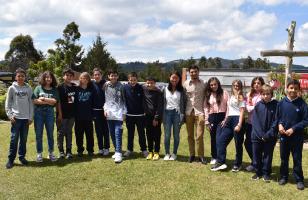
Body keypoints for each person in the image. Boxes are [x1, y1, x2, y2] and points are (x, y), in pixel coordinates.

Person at [277, 79, 308, 190]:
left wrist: (293, 129)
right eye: (291, 88)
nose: (293, 90)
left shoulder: (302, 104)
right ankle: (284, 177)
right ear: (287, 88)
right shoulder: (281, 103)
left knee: (297, 159)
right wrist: (280, 125)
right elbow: (278, 117)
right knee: (284, 158)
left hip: (296, 137)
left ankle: (299, 180)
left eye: (295, 88)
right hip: (284, 136)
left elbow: (306, 120)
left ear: (299, 89)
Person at [211, 80, 245, 172]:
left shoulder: (241, 96)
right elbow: (229, 109)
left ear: (240, 86)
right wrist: (226, 119)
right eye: (234, 85)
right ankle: (220, 162)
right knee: (221, 140)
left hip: (237, 120)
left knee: (238, 144)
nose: (236, 87)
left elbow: (242, 111)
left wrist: (239, 124)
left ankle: (238, 164)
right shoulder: (231, 96)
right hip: (229, 120)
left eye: (238, 85)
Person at [5, 68, 33, 169]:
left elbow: (31, 103)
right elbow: (8, 103)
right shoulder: (12, 88)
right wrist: (10, 115)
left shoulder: (29, 88)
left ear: (25, 77)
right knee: (14, 139)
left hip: (26, 119)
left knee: (23, 139)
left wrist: (30, 117)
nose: (20, 77)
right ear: (16, 77)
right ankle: (11, 160)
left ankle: (22, 157)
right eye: (18, 76)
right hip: (16, 118)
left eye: (22, 76)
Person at [251, 84, 278, 182]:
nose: (266, 96)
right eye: (264, 94)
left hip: (270, 136)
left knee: (267, 155)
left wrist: (268, 134)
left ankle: (266, 173)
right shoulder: (258, 105)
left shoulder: (276, 105)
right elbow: (255, 121)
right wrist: (260, 135)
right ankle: (258, 172)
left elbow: (276, 121)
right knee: (256, 155)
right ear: (261, 94)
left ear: (271, 94)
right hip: (257, 136)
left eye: (268, 94)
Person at [32, 71, 59, 162]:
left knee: (50, 134)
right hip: (38, 113)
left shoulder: (54, 89)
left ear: (52, 79)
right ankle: (39, 154)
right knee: (38, 134)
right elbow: (34, 100)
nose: (48, 79)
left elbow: (55, 101)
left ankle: (51, 153)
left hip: (50, 113)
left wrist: (43, 99)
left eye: (50, 77)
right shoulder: (38, 88)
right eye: (46, 77)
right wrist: (48, 101)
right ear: (43, 78)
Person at [183, 65, 206, 164]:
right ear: (189, 73)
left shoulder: (204, 83)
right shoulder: (185, 84)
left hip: (200, 112)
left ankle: (201, 156)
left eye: (195, 71)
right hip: (188, 112)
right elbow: (183, 99)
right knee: (190, 135)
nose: (193, 73)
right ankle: (192, 155)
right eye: (191, 72)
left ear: (198, 72)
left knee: (199, 136)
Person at [204, 77, 228, 165]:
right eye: (211, 85)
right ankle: (214, 156)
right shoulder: (208, 94)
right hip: (212, 117)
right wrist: (207, 121)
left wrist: (226, 119)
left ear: (218, 84)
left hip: (222, 117)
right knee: (213, 139)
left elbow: (228, 106)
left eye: (215, 84)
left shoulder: (224, 93)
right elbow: (205, 108)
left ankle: (220, 157)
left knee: (220, 139)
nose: (213, 86)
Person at [123, 72, 148, 158]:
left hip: (140, 115)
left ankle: (144, 150)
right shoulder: (125, 88)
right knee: (130, 134)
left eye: (134, 80)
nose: (133, 82)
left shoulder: (141, 88)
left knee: (141, 134)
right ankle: (129, 150)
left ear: (137, 80)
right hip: (129, 115)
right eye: (131, 80)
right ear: (128, 80)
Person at [104, 70, 126, 163]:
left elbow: (125, 100)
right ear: (109, 76)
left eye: (115, 76)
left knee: (118, 133)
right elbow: (106, 99)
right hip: (109, 114)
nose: (113, 77)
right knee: (112, 133)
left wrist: (124, 112)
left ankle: (118, 153)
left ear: (117, 77)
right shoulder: (106, 86)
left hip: (119, 114)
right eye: (112, 76)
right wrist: (105, 109)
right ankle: (117, 151)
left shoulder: (121, 86)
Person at [163, 71, 185, 161]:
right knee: (167, 135)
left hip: (177, 114)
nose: (174, 79)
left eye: (176, 78)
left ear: (179, 79)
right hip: (167, 113)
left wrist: (182, 116)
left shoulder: (182, 90)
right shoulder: (164, 89)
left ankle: (174, 153)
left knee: (176, 135)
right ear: (169, 78)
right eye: (173, 77)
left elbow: (183, 103)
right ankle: (167, 153)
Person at [245, 76, 265, 172]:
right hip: (250, 122)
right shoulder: (249, 94)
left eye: (258, 83)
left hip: (260, 124)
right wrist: (253, 107)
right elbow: (247, 107)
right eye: (255, 83)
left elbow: (261, 109)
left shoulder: (263, 95)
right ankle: (255, 161)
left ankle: (258, 163)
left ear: (262, 85)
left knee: (258, 144)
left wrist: (252, 107)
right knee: (247, 143)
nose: (256, 85)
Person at [56, 68, 76, 159]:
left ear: (72, 77)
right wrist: (60, 114)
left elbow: (73, 101)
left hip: (71, 115)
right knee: (61, 133)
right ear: (63, 76)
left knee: (69, 132)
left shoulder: (74, 87)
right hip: (62, 115)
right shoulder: (59, 87)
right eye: (67, 75)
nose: (68, 77)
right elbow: (58, 102)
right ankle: (61, 151)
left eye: (70, 75)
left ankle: (69, 151)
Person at [74, 72, 95, 157]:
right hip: (78, 116)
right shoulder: (76, 89)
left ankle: (90, 150)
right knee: (79, 134)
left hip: (88, 116)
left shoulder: (91, 89)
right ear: (80, 79)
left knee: (89, 134)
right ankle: (80, 150)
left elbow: (93, 102)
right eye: (82, 78)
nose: (84, 80)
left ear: (88, 79)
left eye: (86, 78)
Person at [143, 77, 163, 161]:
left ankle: (156, 152)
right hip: (147, 116)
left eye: (151, 83)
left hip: (156, 117)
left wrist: (156, 118)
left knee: (157, 135)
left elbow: (159, 106)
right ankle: (150, 151)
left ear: (155, 83)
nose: (149, 85)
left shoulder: (158, 92)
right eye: (148, 83)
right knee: (149, 134)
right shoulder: (144, 90)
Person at [92, 68, 110, 156]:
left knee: (106, 130)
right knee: (98, 130)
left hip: (105, 111)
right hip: (95, 111)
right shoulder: (91, 84)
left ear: (101, 75)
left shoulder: (106, 84)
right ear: (93, 76)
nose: (97, 76)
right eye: (95, 75)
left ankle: (106, 148)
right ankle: (100, 148)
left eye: (98, 74)